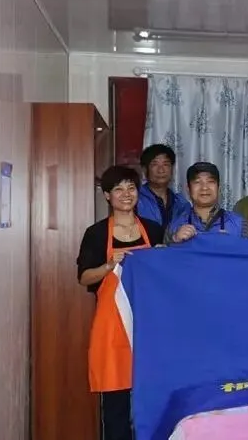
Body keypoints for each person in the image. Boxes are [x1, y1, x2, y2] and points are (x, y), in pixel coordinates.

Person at [76, 166, 165, 440]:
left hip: (149, 326)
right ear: (107, 195)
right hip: (113, 327)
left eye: (131, 188)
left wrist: (163, 257)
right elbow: (84, 277)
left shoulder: (153, 229)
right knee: (116, 405)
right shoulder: (96, 233)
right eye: (118, 189)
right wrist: (108, 265)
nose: (126, 194)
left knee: (153, 401)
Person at [167, 162, 248, 242]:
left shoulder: (239, 224)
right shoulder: (175, 224)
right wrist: (174, 240)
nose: (204, 187)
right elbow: (163, 249)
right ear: (188, 189)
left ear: (218, 188)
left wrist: (231, 245)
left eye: (210, 182)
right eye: (197, 182)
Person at [136, 143, 191, 230]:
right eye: (155, 164)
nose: (161, 170)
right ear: (144, 169)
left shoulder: (182, 203)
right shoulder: (135, 200)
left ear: (172, 169)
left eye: (166, 164)